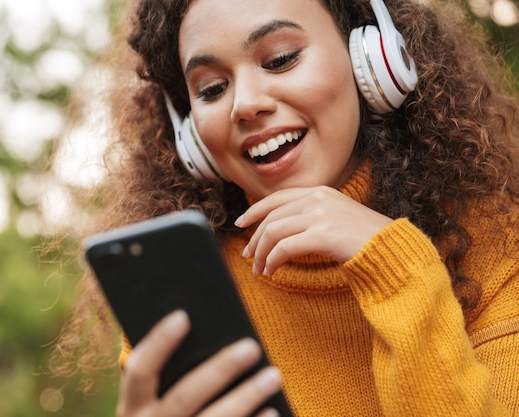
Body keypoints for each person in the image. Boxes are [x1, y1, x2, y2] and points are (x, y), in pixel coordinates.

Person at [51, 0, 519, 415]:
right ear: (191, 137)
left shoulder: (501, 248)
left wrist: (396, 268)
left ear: (373, 59)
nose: (246, 104)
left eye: (279, 59)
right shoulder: (184, 304)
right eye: (212, 89)